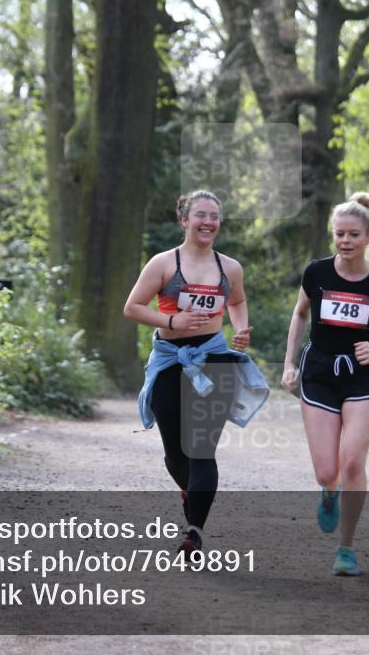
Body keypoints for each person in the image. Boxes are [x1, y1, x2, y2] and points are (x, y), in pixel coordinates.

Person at [281, 181, 369, 576]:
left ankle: (346, 547)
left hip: (363, 376)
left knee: (353, 461)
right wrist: (288, 363)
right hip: (320, 373)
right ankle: (329, 492)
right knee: (328, 472)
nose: (345, 241)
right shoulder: (317, 273)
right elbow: (300, 315)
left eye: (353, 235)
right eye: (340, 234)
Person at [124, 190, 269, 558]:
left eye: (214, 216)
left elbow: (236, 300)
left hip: (213, 360)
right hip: (171, 361)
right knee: (176, 454)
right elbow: (133, 308)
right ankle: (189, 492)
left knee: (202, 450)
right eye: (200, 215)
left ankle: (194, 533)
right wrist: (173, 320)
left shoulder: (230, 267)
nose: (208, 222)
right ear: (184, 220)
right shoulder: (163, 263)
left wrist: (241, 328)